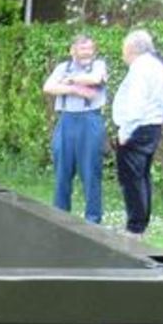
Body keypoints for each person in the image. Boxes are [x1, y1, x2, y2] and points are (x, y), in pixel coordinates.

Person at [42, 35, 109, 224]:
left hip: (90, 120)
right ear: (73, 50)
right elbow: (48, 87)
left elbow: (95, 79)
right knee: (62, 170)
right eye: (82, 49)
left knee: (90, 172)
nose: (87, 52)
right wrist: (74, 90)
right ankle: (60, 217)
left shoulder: (99, 65)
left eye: (90, 49)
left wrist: (69, 82)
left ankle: (93, 221)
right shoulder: (62, 67)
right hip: (66, 120)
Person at [112, 28, 163, 236]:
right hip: (153, 125)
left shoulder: (140, 69)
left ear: (132, 49)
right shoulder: (159, 67)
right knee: (143, 175)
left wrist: (126, 130)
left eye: (124, 50)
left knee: (132, 177)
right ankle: (140, 222)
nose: (123, 55)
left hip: (137, 126)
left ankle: (135, 226)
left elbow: (136, 102)